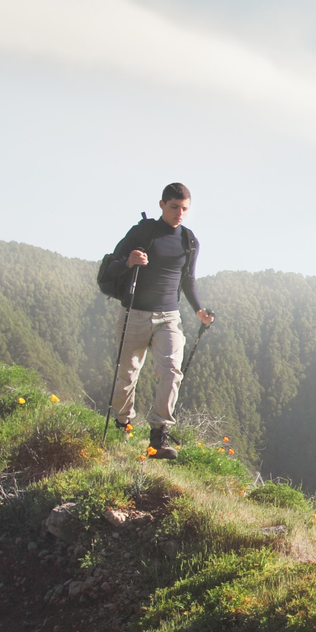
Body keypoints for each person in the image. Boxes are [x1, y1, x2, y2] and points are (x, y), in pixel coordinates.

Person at [103, 183, 212, 457]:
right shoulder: (143, 232)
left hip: (169, 316)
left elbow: (188, 280)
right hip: (135, 313)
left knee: (172, 371)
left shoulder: (189, 241)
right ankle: (122, 423)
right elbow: (111, 266)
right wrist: (129, 261)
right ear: (162, 204)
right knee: (127, 375)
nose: (179, 213)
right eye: (174, 207)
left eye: (184, 208)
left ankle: (159, 436)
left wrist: (199, 309)